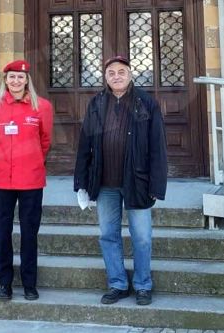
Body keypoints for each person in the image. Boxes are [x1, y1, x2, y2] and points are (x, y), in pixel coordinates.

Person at [74, 55, 167, 306]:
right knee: (108, 235)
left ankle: (143, 285)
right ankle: (117, 284)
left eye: (121, 71)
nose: (117, 76)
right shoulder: (96, 103)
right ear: (105, 77)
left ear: (130, 74)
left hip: (137, 181)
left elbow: (158, 146)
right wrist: (81, 181)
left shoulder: (146, 103)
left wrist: (157, 185)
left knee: (142, 236)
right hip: (104, 183)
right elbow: (84, 145)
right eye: (111, 72)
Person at [0, 59, 53, 302]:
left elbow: (45, 141)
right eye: (11, 77)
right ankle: (5, 283)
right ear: (5, 80)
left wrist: (31, 160)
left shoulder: (42, 107)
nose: (16, 81)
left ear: (27, 80)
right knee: (2, 233)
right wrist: (2, 160)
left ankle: (29, 284)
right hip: (1, 180)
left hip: (31, 180)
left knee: (29, 234)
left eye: (20, 77)